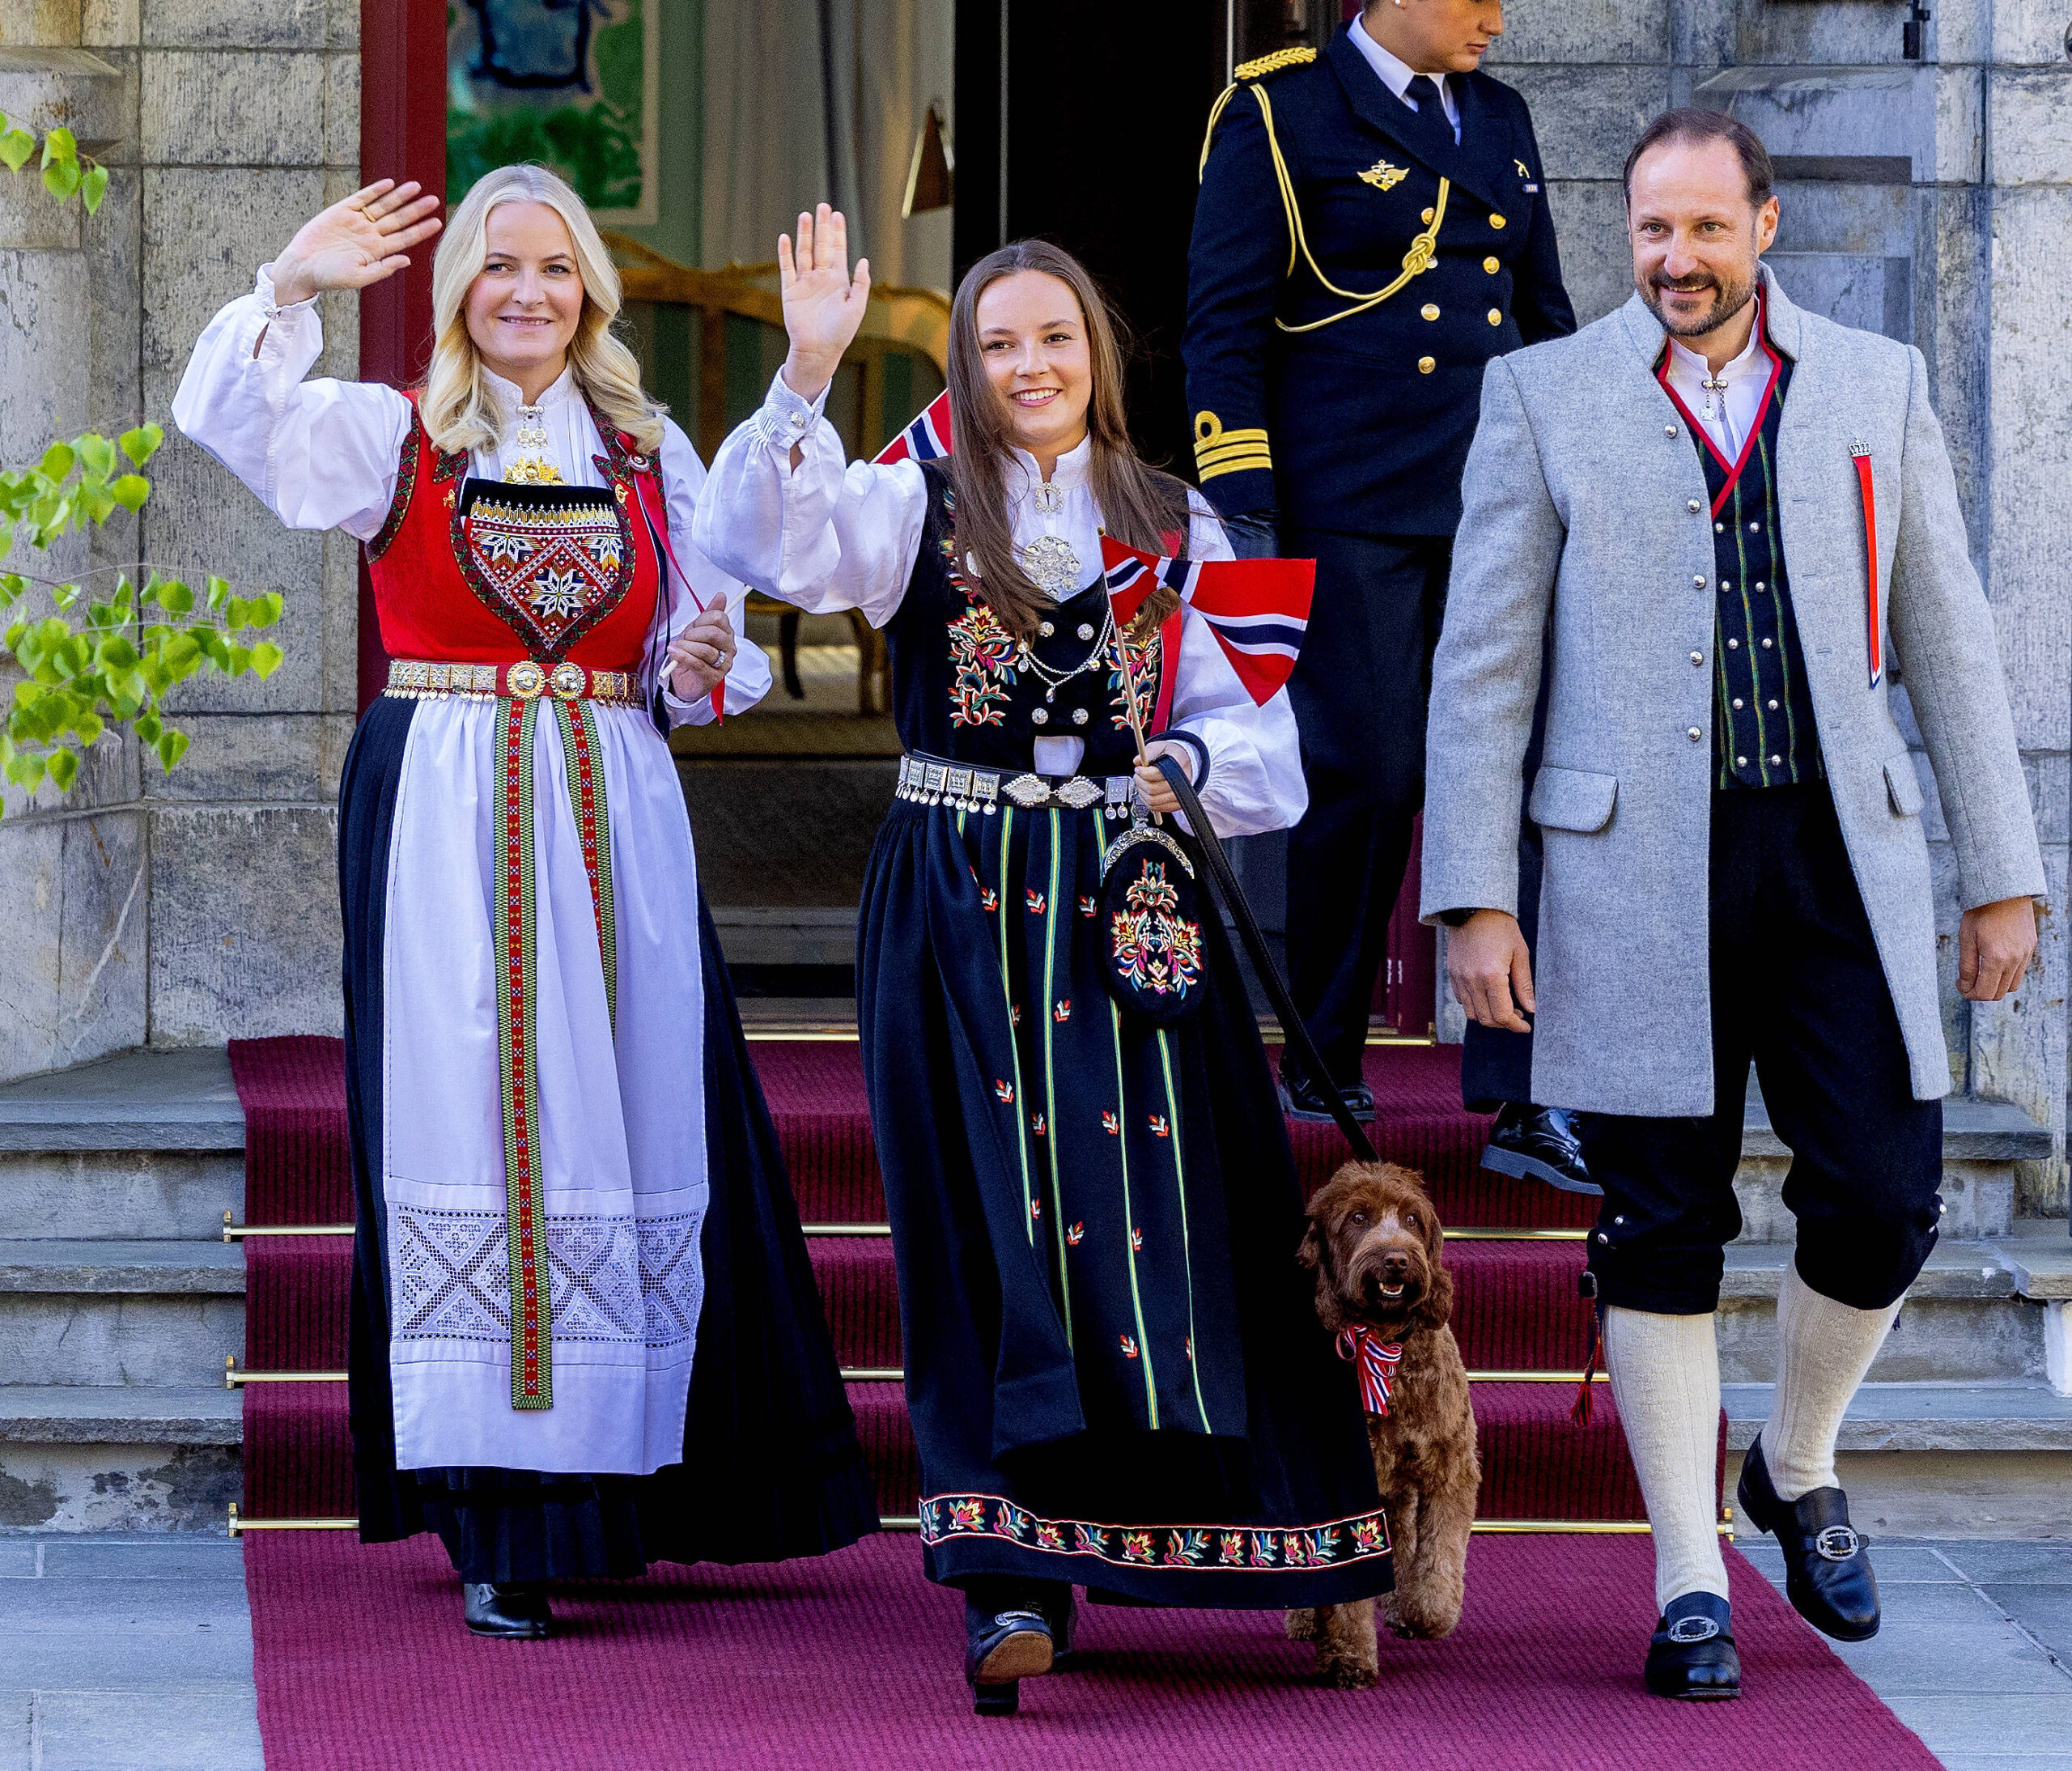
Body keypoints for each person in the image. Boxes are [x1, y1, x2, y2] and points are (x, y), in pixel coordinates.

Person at [693, 210, 1391, 1714]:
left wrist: (1190, 756)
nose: (1029, 365)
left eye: (1054, 338)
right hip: (955, 891)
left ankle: (1161, 1538)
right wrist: (809, 369)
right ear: (967, 360)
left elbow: (1266, 752)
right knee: (978, 1222)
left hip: (1134, 905)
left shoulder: (1175, 518)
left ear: (1099, 355)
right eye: (998, 342)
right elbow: (761, 545)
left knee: (1164, 1215)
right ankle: (1005, 1578)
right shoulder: (908, 499)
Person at [172, 165, 878, 1638]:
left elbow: (714, 625)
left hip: (614, 805)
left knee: (625, 1106)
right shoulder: (395, 439)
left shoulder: (645, 449)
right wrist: (291, 285)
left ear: (592, 292)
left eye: (556, 268)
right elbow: (228, 422)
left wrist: (698, 667)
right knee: (474, 1112)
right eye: (500, 268)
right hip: (446, 802)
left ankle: (638, 1478)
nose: (528, 293)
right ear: (457, 294)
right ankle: (504, 1512)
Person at [1420, 110, 2044, 1699]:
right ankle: (1687, 1579)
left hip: (1839, 852)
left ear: (1761, 225)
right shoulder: (1539, 395)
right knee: (1657, 1219)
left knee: (1883, 1189)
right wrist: (1476, 898)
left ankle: (1793, 1456)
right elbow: (1480, 668)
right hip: (1629, 867)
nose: (1675, 259)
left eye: (1703, 228)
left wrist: (2001, 869)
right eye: (1648, 232)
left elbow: (1948, 637)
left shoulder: (1869, 385)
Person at [1186, 0, 1583, 1194]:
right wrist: (1242, 497)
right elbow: (1224, 326)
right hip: (1345, 497)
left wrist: (1583, 475)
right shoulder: (1277, 109)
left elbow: (1541, 318)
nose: (1497, 19)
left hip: (1497, 500)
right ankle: (1323, 1055)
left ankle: (1523, 1095)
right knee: (1366, 771)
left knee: (1523, 772)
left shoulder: (1500, 117)